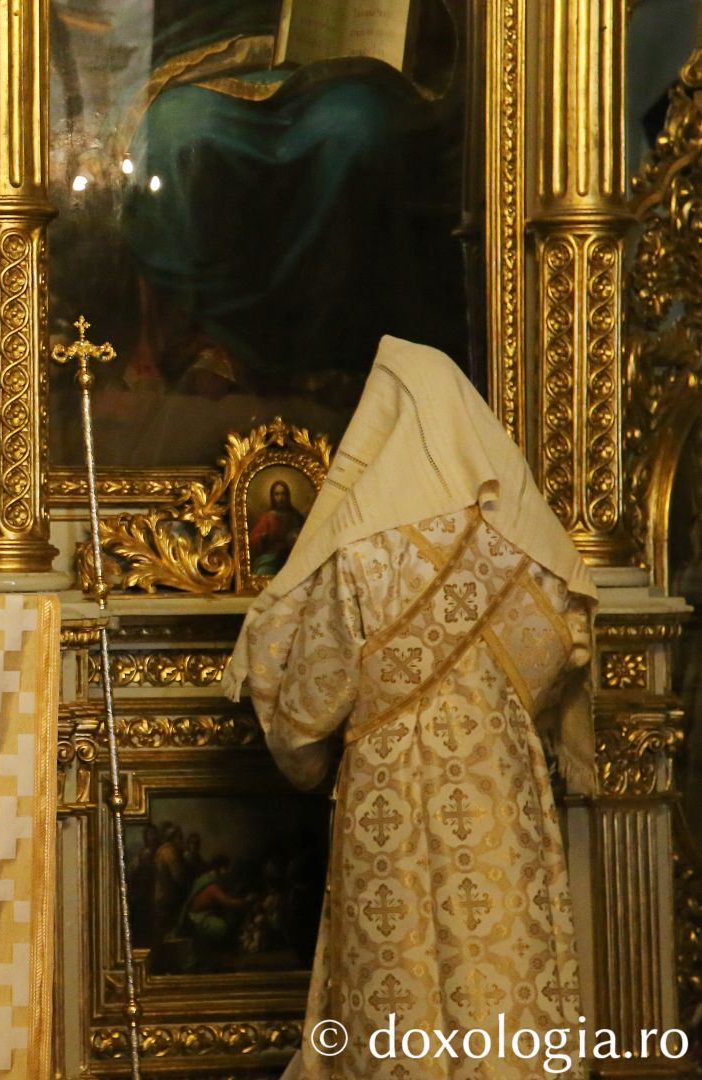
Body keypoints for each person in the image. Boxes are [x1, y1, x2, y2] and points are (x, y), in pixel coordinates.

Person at [226, 336, 595, 1078]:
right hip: (499, 778)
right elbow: (561, 653)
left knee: (396, 976)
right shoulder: (518, 541)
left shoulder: (360, 549)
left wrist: (303, 758)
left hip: (388, 783)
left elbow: (310, 699)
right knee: (502, 961)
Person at [249, 479, 306, 576]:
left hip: (293, 557)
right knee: (262, 572)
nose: (281, 498)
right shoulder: (267, 518)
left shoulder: (296, 516)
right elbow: (252, 539)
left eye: (283, 494)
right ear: (272, 496)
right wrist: (262, 537)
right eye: (277, 494)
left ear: (288, 496)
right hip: (271, 558)